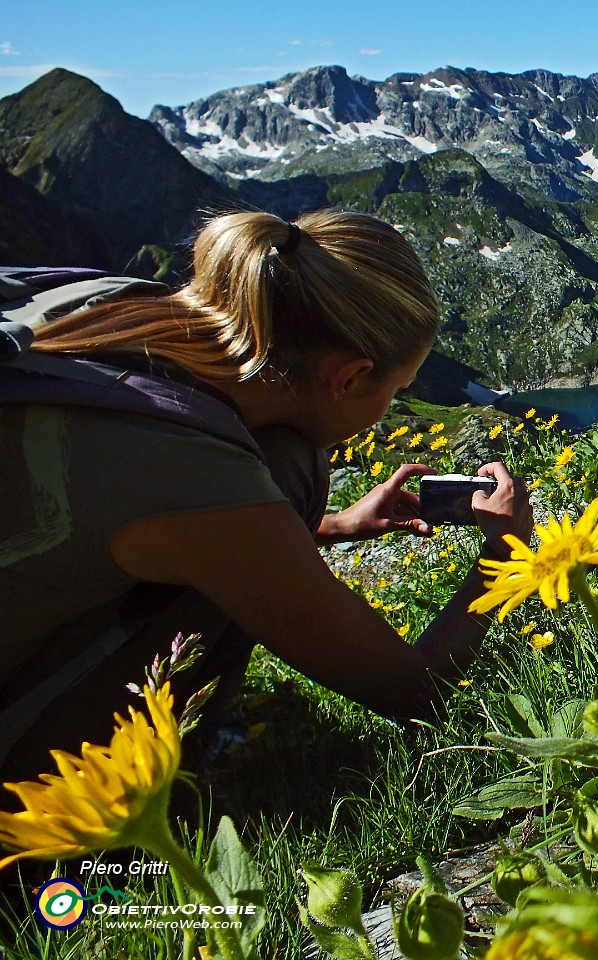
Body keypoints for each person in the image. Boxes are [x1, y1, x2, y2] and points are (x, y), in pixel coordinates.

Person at [0, 209, 533, 786]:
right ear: (349, 378)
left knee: (282, 461)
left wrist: (332, 525)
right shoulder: (184, 469)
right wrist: (506, 555)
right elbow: (411, 687)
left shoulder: (116, 302)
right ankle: (118, 822)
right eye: (397, 390)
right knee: (292, 461)